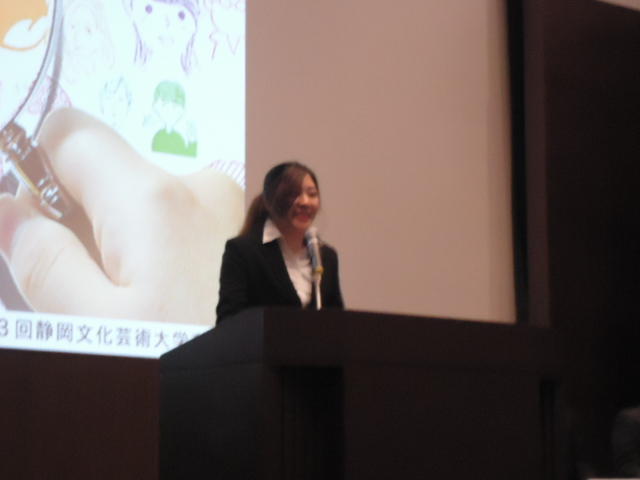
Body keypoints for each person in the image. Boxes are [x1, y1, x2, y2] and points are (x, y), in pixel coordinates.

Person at [216, 161, 344, 322]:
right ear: (271, 200)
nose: (305, 202)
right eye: (293, 194)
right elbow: (228, 321)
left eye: (312, 194)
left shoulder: (326, 256)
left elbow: (338, 321)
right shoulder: (243, 251)